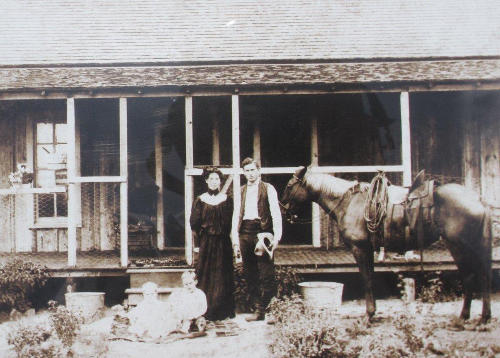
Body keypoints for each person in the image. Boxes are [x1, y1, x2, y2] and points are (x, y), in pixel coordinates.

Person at [232, 157, 282, 322]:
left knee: (266, 273)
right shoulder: (241, 190)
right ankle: (257, 309)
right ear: (244, 173)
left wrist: (277, 237)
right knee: (250, 273)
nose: (250, 174)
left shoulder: (268, 189)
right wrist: (235, 237)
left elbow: (276, 214)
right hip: (244, 233)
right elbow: (236, 215)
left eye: (253, 170)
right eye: (247, 171)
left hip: (262, 233)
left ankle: (267, 309)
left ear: (258, 170)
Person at [190, 167, 235, 321]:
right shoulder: (200, 200)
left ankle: (223, 310)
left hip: (223, 241)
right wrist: (198, 243)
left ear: (220, 182)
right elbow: (194, 223)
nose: (214, 182)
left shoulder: (227, 200)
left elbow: (230, 222)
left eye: (217, 179)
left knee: (223, 273)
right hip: (207, 242)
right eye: (212, 179)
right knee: (206, 273)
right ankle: (206, 310)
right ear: (206, 181)